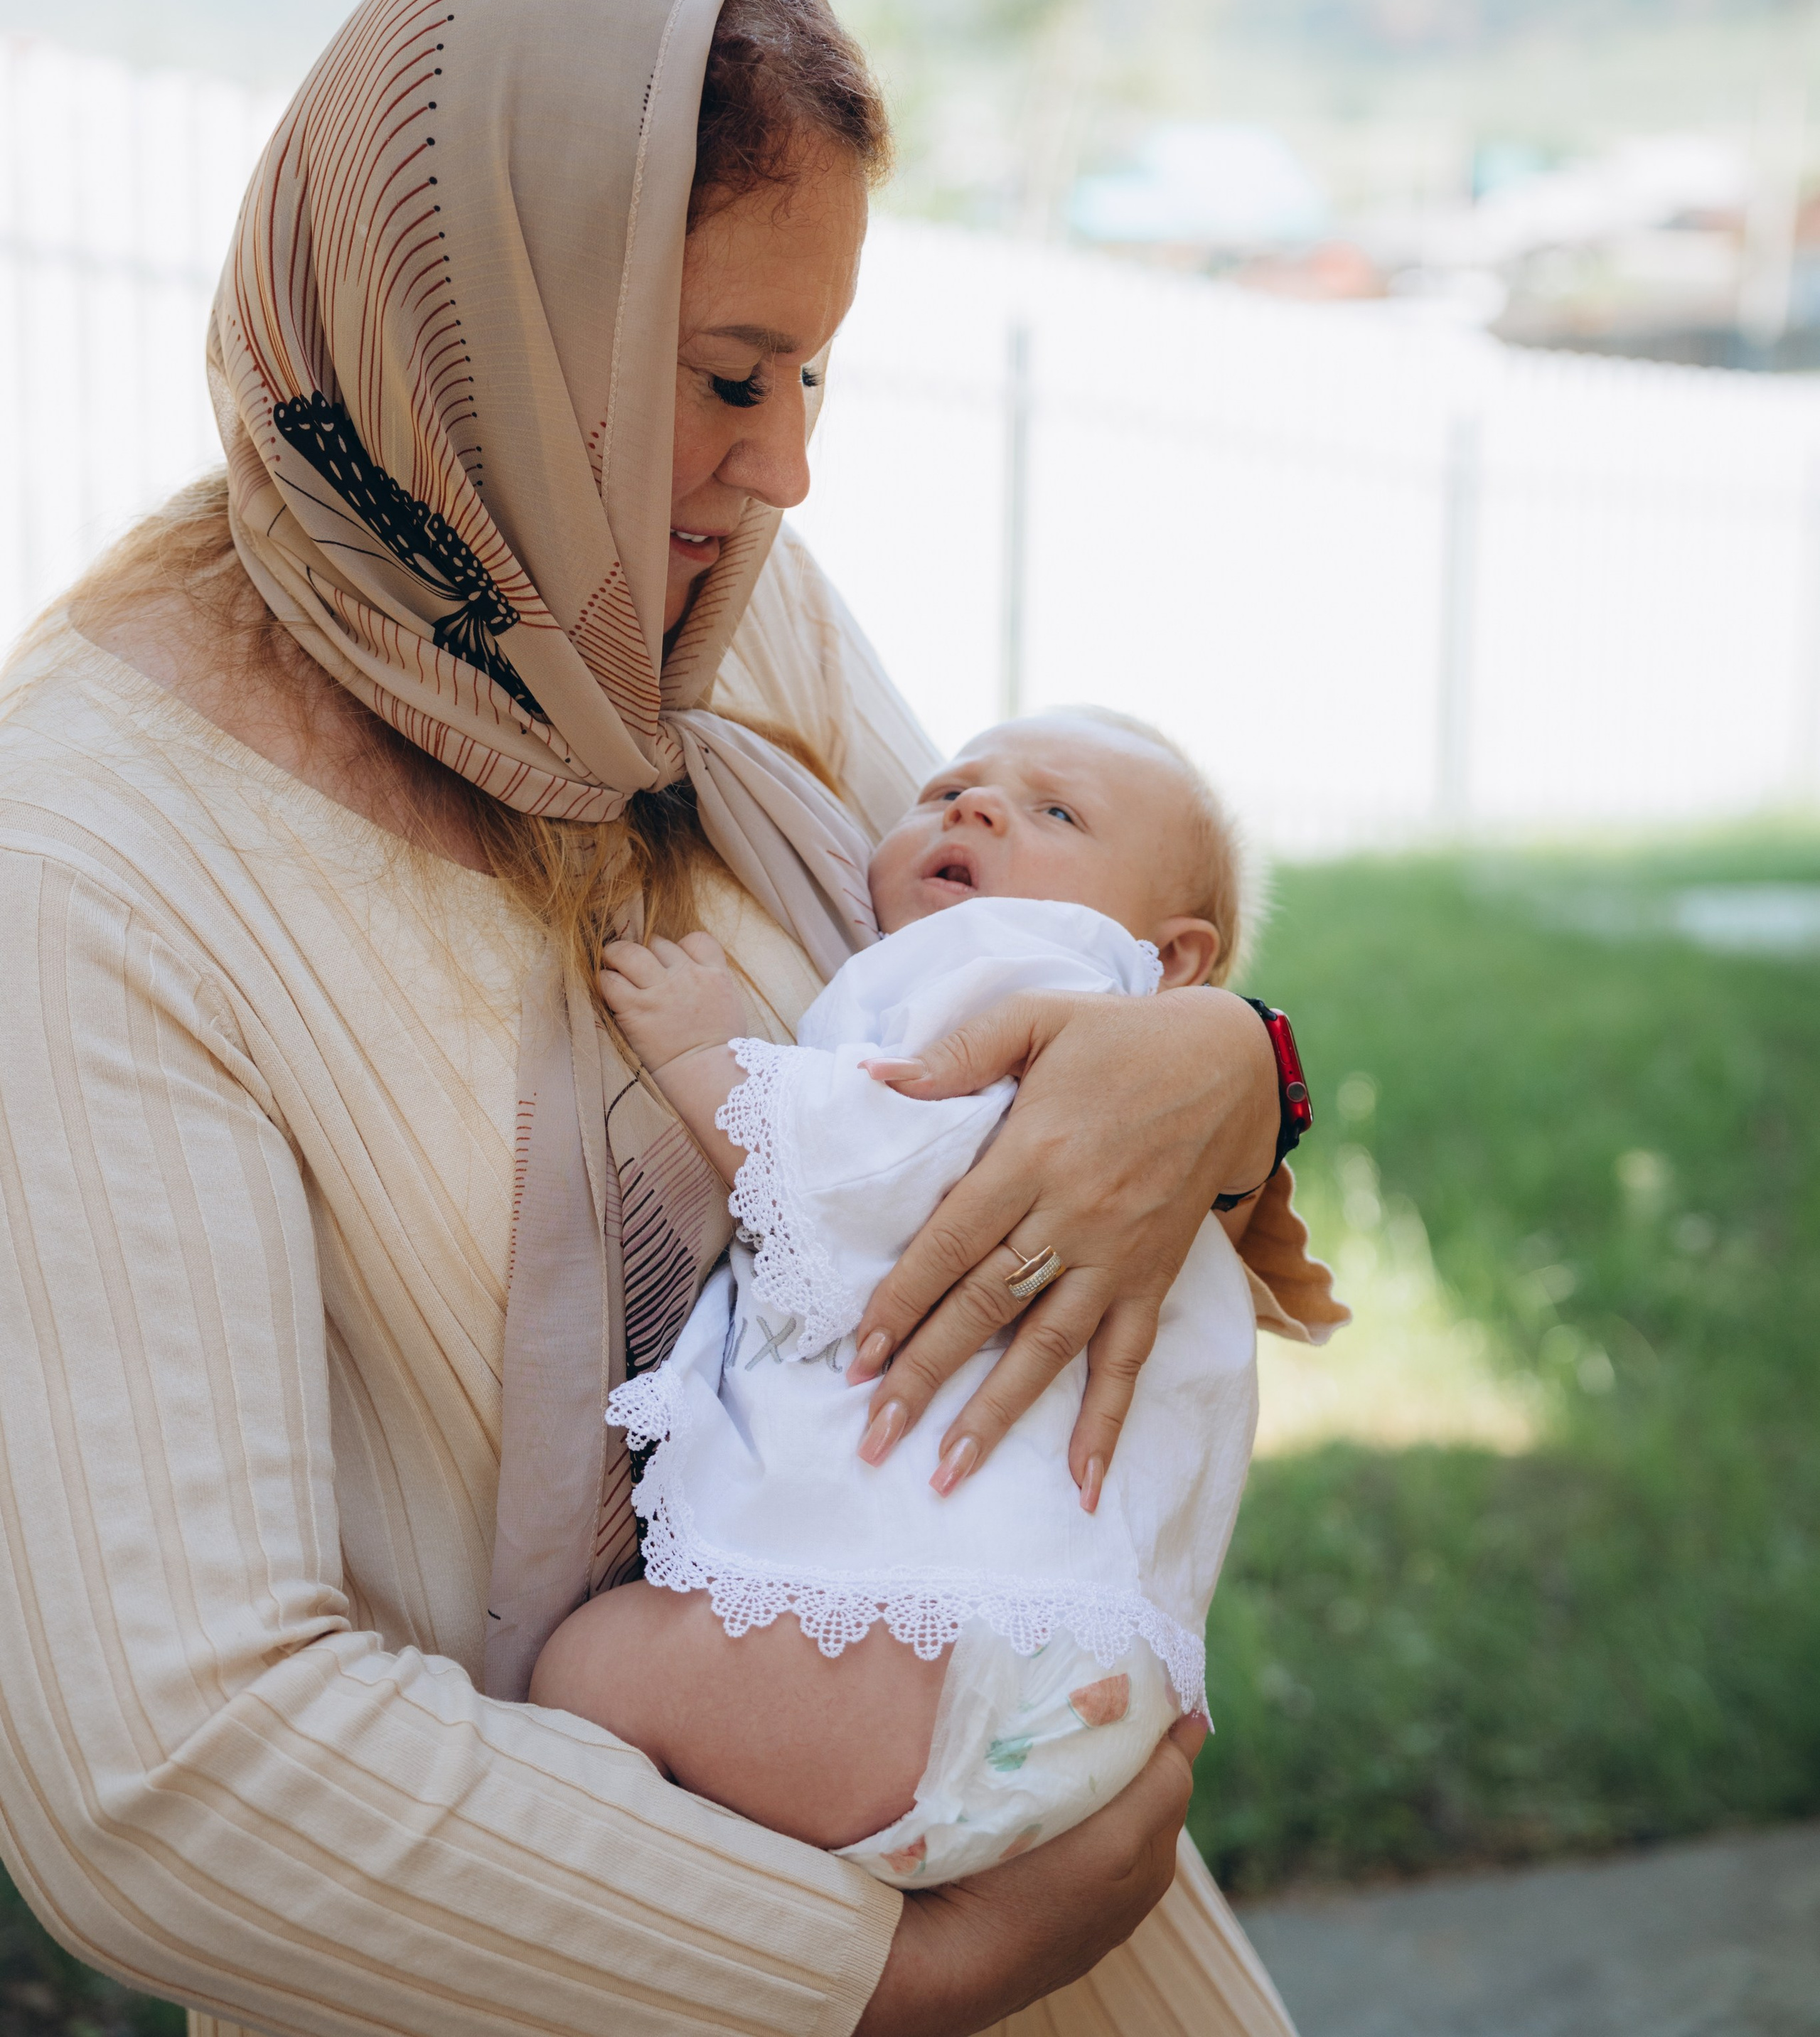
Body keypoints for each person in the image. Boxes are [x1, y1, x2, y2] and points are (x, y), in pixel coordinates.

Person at [0, 0, 1341, 2037]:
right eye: (729, 378)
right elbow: (174, 1766)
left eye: (811, 375)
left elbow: (1037, 970)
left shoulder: (705, 607)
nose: (788, 468)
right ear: (487, 333)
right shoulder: (82, 869)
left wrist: (1228, 1067)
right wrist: (882, 1970)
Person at [534, 708, 1332, 1887]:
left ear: (1173, 959)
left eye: (1055, 811)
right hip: (1069, 1665)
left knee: (589, 1675)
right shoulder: (1132, 1071)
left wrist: (710, 1057)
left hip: (938, 1639)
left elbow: (904, 1178)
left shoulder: (1025, 966)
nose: (973, 807)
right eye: (947, 790)